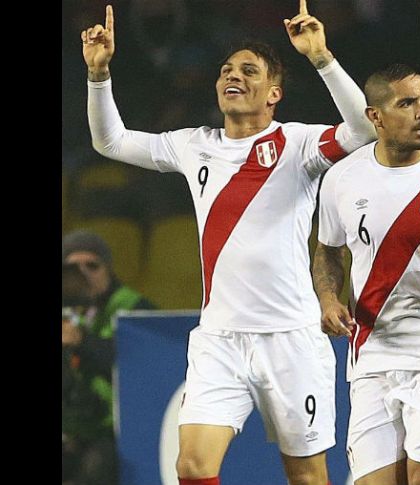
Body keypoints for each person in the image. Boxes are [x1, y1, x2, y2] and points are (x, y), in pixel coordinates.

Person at [80, 1, 376, 484]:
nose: (231, 76)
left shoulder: (299, 145)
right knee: (192, 466)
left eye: (248, 70)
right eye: (225, 70)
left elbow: (364, 130)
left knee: (306, 476)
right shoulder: (194, 143)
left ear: (273, 93)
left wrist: (321, 57)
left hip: (292, 339)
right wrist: (98, 75)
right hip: (219, 339)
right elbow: (110, 142)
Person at [313, 63, 420, 485]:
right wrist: (328, 299)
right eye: (406, 103)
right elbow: (328, 251)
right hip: (372, 352)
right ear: (375, 117)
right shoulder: (341, 179)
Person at [62, 231, 155, 485]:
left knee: (96, 467)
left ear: (108, 269)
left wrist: (82, 341)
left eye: (92, 265)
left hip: (117, 432)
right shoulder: (67, 311)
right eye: (72, 268)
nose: (83, 274)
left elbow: (139, 368)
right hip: (73, 428)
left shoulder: (135, 309)